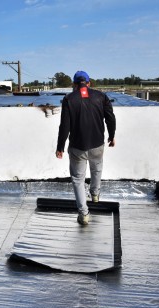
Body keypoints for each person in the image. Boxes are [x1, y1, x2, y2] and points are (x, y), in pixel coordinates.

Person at [56, 70, 116, 225]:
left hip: (77, 147)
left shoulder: (69, 99)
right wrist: (112, 136)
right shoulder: (101, 96)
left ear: (75, 85)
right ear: (89, 83)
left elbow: (65, 126)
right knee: (97, 169)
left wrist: (60, 147)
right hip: (97, 144)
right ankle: (95, 194)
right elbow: (110, 118)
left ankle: (84, 214)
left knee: (78, 179)